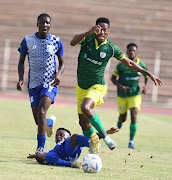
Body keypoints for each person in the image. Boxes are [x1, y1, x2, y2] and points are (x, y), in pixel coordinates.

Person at [70, 17, 163, 151]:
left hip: (97, 86)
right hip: (81, 87)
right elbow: (73, 42)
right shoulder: (87, 39)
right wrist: (88, 32)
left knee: (86, 107)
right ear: (95, 29)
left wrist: (147, 73)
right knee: (83, 122)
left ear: (108, 32)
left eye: (105, 30)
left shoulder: (111, 48)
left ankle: (106, 137)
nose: (102, 32)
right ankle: (94, 146)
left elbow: (129, 63)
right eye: (99, 29)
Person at [17, 13, 65, 152]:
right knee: (39, 120)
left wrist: (59, 74)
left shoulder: (56, 41)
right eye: (42, 22)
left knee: (42, 111)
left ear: (50, 25)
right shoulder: (27, 40)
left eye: (47, 23)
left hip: (49, 83)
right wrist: (21, 78)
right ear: (37, 24)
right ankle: (49, 123)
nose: (45, 25)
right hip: (33, 84)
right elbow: (21, 62)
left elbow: (62, 63)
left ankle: (40, 149)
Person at [111, 43, 149, 149]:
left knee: (134, 114)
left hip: (135, 94)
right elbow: (113, 78)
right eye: (130, 51)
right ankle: (120, 119)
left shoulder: (141, 65)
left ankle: (131, 141)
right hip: (122, 95)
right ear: (126, 52)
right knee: (123, 118)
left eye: (134, 51)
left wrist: (145, 87)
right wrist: (120, 86)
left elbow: (147, 76)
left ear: (137, 53)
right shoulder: (121, 65)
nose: (132, 52)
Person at [27, 126, 119, 168]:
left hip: (69, 148)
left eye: (62, 135)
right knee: (39, 154)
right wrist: (37, 156)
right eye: (57, 136)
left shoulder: (72, 140)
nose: (59, 137)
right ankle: (72, 164)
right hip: (57, 153)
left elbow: (94, 136)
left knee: (76, 137)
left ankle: (91, 145)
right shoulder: (56, 147)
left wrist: (106, 132)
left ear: (68, 137)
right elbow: (43, 155)